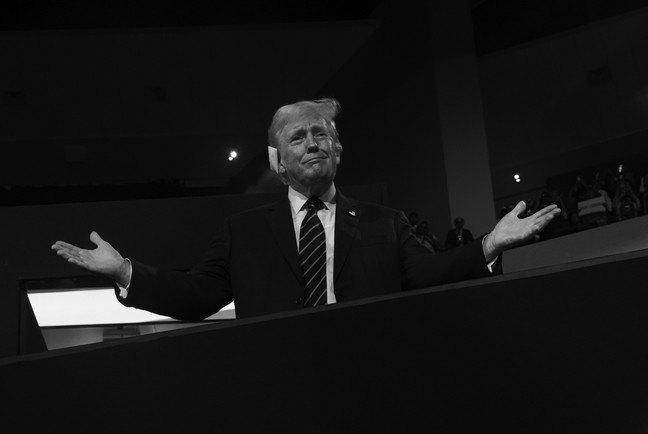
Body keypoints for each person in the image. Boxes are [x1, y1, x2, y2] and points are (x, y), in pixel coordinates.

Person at [51, 97, 560, 321]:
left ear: (338, 152)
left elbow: (425, 275)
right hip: (280, 393)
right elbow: (196, 296)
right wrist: (124, 271)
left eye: (323, 135)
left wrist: (490, 244)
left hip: (373, 387)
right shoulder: (244, 230)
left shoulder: (385, 222)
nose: (314, 143)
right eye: (299, 137)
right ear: (278, 161)